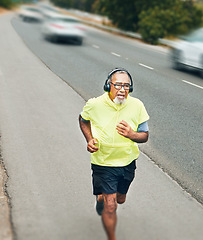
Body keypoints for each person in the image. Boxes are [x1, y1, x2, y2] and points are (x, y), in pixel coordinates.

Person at [79, 68, 150, 240]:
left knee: (120, 199)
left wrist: (132, 135)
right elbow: (83, 119)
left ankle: (101, 198)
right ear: (108, 85)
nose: (122, 89)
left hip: (127, 163)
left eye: (126, 86)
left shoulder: (137, 105)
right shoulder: (94, 104)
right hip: (103, 163)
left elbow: (145, 135)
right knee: (111, 207)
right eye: (118, 84)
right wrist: (89, 139)